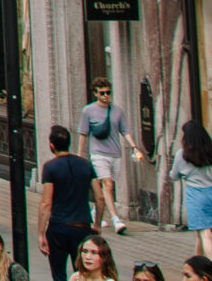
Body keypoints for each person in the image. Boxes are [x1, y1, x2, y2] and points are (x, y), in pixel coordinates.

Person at [78, 80, 143, 235]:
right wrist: (80, 154)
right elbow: (83, 133)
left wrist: (134, 146)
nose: (106, 96)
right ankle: (116, 220)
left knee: (109, 186)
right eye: (102, 93)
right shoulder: (88, 111)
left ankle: (95, 212)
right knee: (108, 185)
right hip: (98, 154)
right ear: (95, 93)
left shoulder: (117, 111)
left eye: (108, 92)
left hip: (115, 153)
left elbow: (125, 130)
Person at [42, 123, 100, 281]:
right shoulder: (86, 164)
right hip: (82, 226)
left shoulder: (50, 167)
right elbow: (100, 197)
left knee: (59, 273)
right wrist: (98, 224)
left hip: (58, 226)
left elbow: (46, 203)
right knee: (83, 271)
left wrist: (41, 233)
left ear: (51, 146)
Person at [169, 123, 212, 260]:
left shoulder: (182, 154)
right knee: (201, 232)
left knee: (205, 233)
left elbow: (173, 176)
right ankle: (196, 265)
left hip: (195, 195)